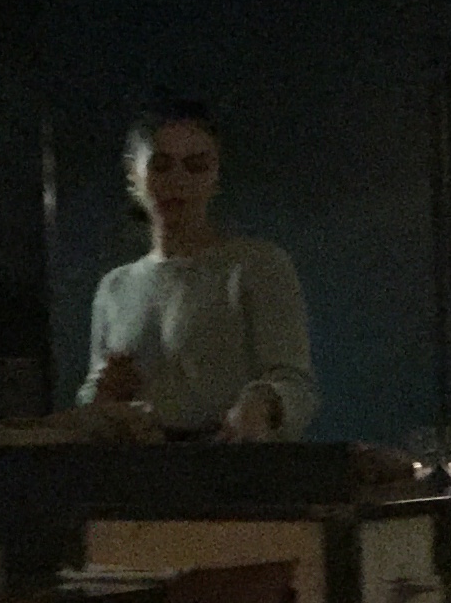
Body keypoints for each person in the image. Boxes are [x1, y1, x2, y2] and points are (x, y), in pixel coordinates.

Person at [84, 99, 316, 440]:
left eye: (196, 166)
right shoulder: (115, 288)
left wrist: (263, 402)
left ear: (215, 175)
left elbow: (294, 383)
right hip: (140, 463)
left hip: (229, 459)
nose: (178, 180)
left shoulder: (255, 266)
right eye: (161, 166)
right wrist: (105, 396)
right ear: (134, 173)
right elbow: (93, 399)